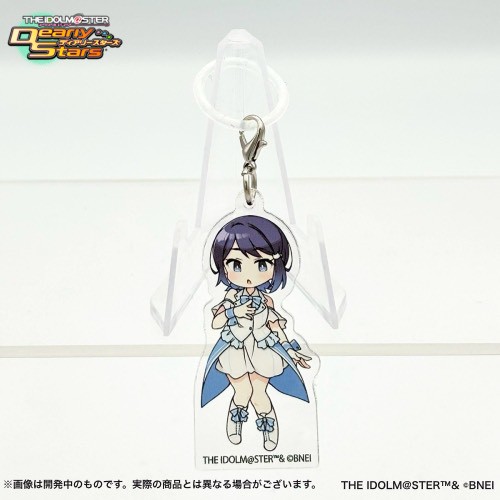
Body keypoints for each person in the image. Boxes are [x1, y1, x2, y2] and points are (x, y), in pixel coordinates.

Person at [201, 215, 312, 451]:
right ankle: (235, 418)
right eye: (236, 264)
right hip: (236, 349)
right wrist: (235, 312)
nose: (249, 274)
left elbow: (277, 328)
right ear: (224, 267)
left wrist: (291, 351)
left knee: (259, 393)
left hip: (262, 349)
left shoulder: (267, 301)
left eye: (261, 265)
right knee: (243, 391)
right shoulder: (231, 297)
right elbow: (216, 323)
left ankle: (268, 426)